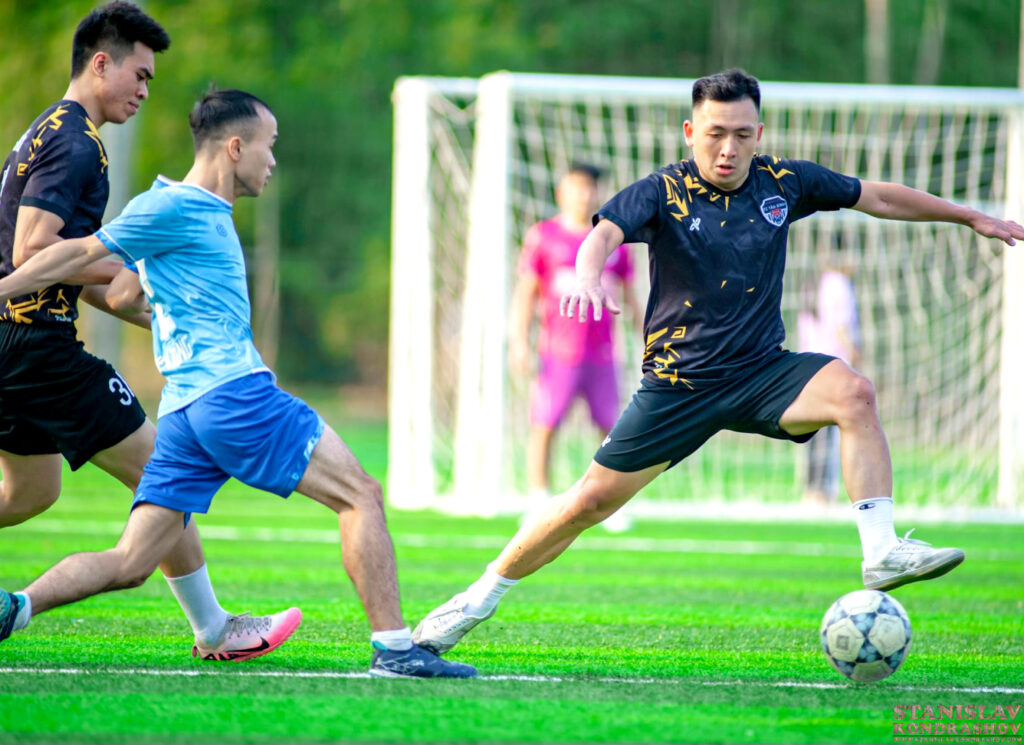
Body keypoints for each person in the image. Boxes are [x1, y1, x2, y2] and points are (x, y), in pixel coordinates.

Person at [411, 69, 1024, 657]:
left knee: (853, 394)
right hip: (679, 388)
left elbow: (879, 197)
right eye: (715, 134)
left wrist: (969, 215)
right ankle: (475, 599)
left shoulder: (783, 182)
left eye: (742, 134)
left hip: (762, 372)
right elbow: (603, 233)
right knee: (586, 505)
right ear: (689, 132)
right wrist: (587, 273)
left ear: (759, 134)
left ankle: (881, 550)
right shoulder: (662, 191)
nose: (728, 148)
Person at [0, 88, 477, 679]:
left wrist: (172, 300)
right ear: (234, 147)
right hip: (233, 393)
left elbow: (122, 293)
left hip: (183, 414)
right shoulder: (175, 205)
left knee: (130, 562)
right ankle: (396, 649)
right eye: (268, 146)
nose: (272, 160)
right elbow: (71, 253)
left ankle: (15, 608)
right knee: (360, 495)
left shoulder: (183, 212)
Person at [0, 1, 295, 662]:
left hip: (13, 344)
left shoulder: (48, 130)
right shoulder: (77, 141)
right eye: (139, 74)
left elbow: (70, 268)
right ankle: (214, 624)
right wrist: (131, 267)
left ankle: (212, 623)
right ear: (100, 63)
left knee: (30, 491)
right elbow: (34, 252)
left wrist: (147, 302)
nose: (144, 89)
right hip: (36, 345)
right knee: (163, 474)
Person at [508, 164, 637, 529]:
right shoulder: (543, 236)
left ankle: (610, 503)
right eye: (577, 187)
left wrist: (648, 337)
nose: (584, 194)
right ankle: (538, 498)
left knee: (612, 429)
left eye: (590, 188)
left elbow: (631, 299)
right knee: (545, 424)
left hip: (603, 355)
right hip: (558, 355)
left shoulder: (613, 241)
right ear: (561, 191)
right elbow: (525, 295)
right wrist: (519, 341)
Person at [797, 259, 862, 504]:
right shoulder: (839, 283)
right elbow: (841, 326)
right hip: (833, 366)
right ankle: (825, 491)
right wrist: (854, 352)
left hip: (809, 364)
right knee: (834, 431)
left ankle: (811, 490)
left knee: (814, 431)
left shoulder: (814, 283)